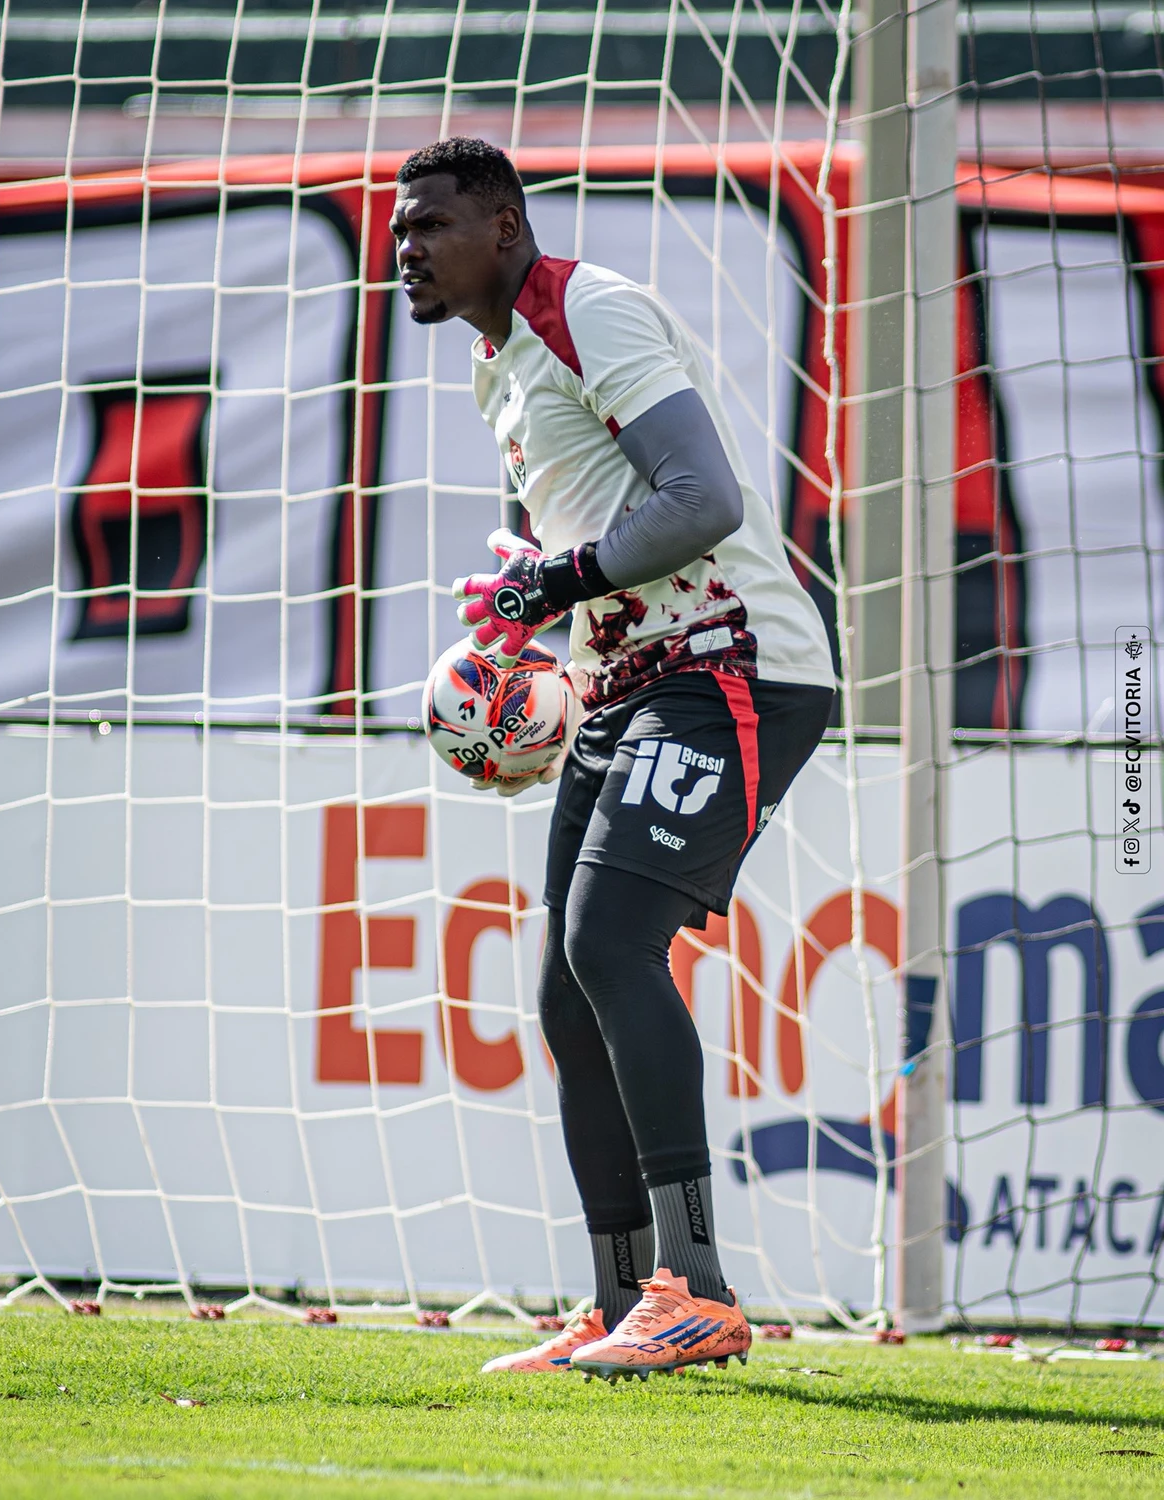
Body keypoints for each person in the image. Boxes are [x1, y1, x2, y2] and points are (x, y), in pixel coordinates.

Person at [392, 137, 834, 1381]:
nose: (407, 251)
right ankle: (618, 1297)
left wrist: (562, 576)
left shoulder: (590, 308)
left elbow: (703, 502)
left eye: (429, 225)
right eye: (398, 233)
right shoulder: (498, 364)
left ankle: (698, 1288)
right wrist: (527, 612)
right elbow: (586, 540)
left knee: (607, 946)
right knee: (562, 991)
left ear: (506, 227)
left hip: (737, 663)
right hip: (631, 678)